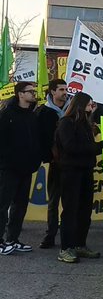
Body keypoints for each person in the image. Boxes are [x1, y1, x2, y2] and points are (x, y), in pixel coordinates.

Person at [53, 92, 103, 263]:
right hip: (70, 172)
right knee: (70, 210)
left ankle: (79, 244)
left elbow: (88, 147)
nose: (92, 106)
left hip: (85, 171)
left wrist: (102, 145)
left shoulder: (85, 124)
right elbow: (70, 146)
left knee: (84, 210)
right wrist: (94, 147)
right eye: (90, 103)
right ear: (81, 104)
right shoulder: (66, 123)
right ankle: (66, 248)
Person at [0, 82, 42, 255]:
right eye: (30, 91)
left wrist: (35, 160)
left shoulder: (32, 115)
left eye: (34, 91)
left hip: (26, 168)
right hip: (9, 168)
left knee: (20, 205)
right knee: (3, 205)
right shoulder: (7, 114)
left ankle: (13, 238)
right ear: (20, 94)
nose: (33, 94)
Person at [36, 78, 69, 249]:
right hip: (56, 162)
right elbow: (40, 136)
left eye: (66, 89)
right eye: (61, 89)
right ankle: (50, 234)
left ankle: (68, 235)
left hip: (71, 162)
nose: (65, 92)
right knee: (54, 201)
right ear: (52, 92)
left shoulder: (73, 110)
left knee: (69, 201)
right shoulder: (44, 112)